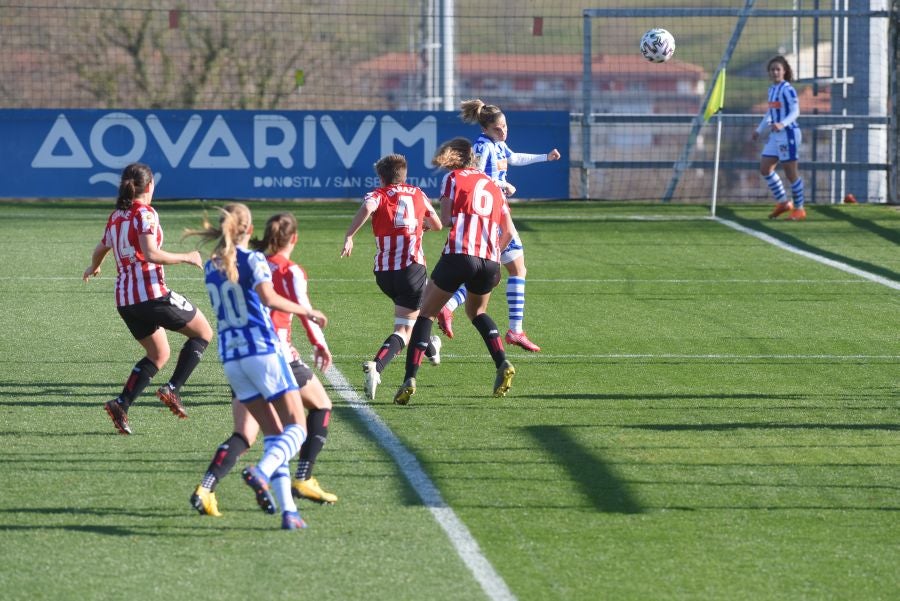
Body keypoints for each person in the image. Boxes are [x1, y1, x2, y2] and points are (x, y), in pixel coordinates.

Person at [186, 203, 328, 530]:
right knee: (298, 429)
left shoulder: (212, 265)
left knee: (275, 436)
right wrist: (307, 311)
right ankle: (261, 472)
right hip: (262, 352)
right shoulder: (254, 260)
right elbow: (268, 298)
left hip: (231, 359)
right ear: (250, 230)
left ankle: (289, 512)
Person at [83, 162, 213, 435]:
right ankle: (172, 389)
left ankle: (121, 404)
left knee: (159, 353)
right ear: (150, 186)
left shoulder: (117, 215)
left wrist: (94, 266)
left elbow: (101, 246)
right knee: (203, 332)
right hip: (151, 295)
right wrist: (187, 257)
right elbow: (151, 253)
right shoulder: (146, 214)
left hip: (125, 302)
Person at [393, 137, 516, 406]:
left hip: (460, 255)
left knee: (425, 312)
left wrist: (423, 224)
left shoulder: (454, 178)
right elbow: (507, 231)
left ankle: (409, 379)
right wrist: (492, 251)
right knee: (477, 313)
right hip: (490, 260)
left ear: (453, 158)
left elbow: (446, 220)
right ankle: (502, 362)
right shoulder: (494, 187)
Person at [436, 99, 561, 352]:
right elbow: (478, 178)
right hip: (491, 215)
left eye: (504, 126)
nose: (503, 132)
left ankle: (451, 308)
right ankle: (514, 331)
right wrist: (504, 186)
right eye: (497, 129)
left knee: (497, 275)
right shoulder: (483, 147)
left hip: (499, 212)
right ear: (486, 129)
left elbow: (514, 158)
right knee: (507, 270)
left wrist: (545, 157)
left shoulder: (498, 144)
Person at [341, 154, 444, 400]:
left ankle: (431, 346)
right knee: (404, 329)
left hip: (384, 273)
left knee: (416, 312)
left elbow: (367, 207)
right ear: (404, 174)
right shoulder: (418, 193)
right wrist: (422, 227)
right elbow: (438, 224)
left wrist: (350, 235)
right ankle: (377, 366)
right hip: (411, 267)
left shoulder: (378, 194)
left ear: (381, 177)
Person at [752, 55, 806, 221]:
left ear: (784, 72)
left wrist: (782, 124)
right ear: (769, 72)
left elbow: (795, 111)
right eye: (772, 69)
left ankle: (799, 209)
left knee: (791, 173)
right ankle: (783, 203)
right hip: (776, 136)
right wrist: (759, 130)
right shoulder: (772, 90)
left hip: (788, 134)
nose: (775, 72)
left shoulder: (787, 89)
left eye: (778, 69)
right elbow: (770, 112)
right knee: (765, 168)